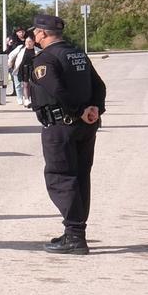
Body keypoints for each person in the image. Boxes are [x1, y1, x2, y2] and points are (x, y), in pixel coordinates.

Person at [21, 13, 105, 255]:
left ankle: (75, 237)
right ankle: (74, 233)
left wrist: (80, 111)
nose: (33, 36)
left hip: (61, 127)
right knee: (79, 178)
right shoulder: (77, 53)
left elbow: (56, 90)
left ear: (43, 34)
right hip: (85, 126)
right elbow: (99, 86)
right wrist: (94, 110)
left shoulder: (45, 59)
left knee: (61, 177)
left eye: (35, 32)